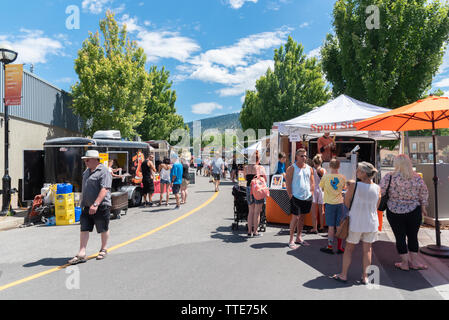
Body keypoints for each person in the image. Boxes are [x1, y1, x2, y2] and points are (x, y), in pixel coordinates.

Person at [332, 162, 381, 284]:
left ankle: (343, 275)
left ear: (364, 173)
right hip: (371, 222)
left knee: (349, 249)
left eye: (358, 170)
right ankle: (365, 277)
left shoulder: (355, 186)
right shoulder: (377, 188)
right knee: (367, 250)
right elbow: (376, 206)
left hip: (356, 221)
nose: (356, 172)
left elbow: (346, 203)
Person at [379, 154, 429, 271]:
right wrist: (423, 207)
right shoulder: (417, 177)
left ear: (396, 164)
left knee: (400, 237)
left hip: (394, 210)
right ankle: (414, 263)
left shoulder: (389, 177)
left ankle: (404, 263)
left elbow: (380, 191)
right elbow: (424, 193)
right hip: (413, 211)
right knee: (413, 236)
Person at [68, 150, 112, 265]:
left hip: (100, 205)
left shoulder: (103, 171)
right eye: (84, 160)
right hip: (87, 206)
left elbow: (105, 189)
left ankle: (103, 249)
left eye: (87, 160)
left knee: (103, 228)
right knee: (84, 228)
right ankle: (82, 252)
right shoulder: (87, 171)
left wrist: (96, 204)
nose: (85, 162)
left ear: (95, 160)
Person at [285, 148, 314, 249]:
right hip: (296, 197)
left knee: (302, 218)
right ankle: (291, 239)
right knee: (295, 218)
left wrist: (311, 193)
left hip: (307, 196)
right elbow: (287, 183)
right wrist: (290, 195)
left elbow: (312, 182)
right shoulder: (291, 168)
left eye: (305, 156)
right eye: (302, 156)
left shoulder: (309, 168)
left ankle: (299, 237)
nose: (304, 158)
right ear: (296, 157)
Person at [319, 158, 347, 254]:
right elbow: (344, 187)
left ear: (329, 166)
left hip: (329, 204)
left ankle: (330, 246)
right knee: (339, 226)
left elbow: (321, 187)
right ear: (339, 166)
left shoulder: (325, 177)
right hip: (339, 203)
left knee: (331, 226)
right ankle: (340, 247)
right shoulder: (342, 177)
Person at [244, 150, 267, 237]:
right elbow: (265, 179)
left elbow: (246, 178)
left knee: (251, 211)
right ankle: (255, 231)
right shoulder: (260, 168)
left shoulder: (246, 168)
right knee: (257, 212)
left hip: (249, 188)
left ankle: (249, 231)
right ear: (258, 159)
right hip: (257, 189)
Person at [310, 154, 326, 234]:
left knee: (314, 210)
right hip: (322, 190)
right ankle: (322, 226)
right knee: (321, 210)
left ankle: (314, 228)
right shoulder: (323, 170)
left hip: (314, 189)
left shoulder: (311, 170)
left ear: (314, 162)